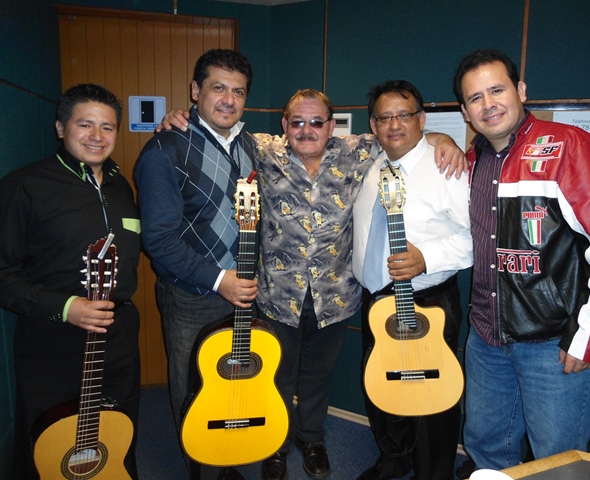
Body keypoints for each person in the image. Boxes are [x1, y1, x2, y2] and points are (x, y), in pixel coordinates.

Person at [162, 86, 464, 480]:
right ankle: (276, 444)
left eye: (317, 122)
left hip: (334, 297)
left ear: (331, 126)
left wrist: (442, 138)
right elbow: (217, 128)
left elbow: (403, 133)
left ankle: (312, 439)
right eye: (297, 122)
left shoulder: (358, 151)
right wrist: (179, 118)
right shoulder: (261, 149)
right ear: (284, 125)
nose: (307, 130)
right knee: (277, 375)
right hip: (277, 295)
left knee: (318, 377)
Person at [453, 49, 590, 471]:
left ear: (520, 90)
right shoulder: (472, 161)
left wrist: (588, 339)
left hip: (553, 346)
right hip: (486, 340)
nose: (488, 104)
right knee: (486, 448)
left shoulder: (571, 148)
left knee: (557, 462)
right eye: (475, 97)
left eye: (497, 90)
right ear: (464, 112)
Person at [0, 83, 141, 479]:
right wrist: (66, 307)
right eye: (85, 124)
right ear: (61, 127)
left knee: (119, 430)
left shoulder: (120, 185)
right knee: (49, 442)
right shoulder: (25, 186)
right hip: (53, 340)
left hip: (118, 334)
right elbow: (3, 275)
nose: (97, 136)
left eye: (107, 127)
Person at [134, 49, 257, 480]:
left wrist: (435, 139)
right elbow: (159, 240)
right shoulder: (164, 149)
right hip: (192, 296)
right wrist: (220, 280)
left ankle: (227, 458)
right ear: (195, 91)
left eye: (238, 91)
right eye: (218, 88)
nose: (228, 99)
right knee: (194, 388)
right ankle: (201, 469)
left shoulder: (250, 145)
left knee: (235, 382)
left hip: (244, 295)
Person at [351, 80, 473, 480]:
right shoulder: (371, 163)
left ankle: (433, 473)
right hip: (375, 298)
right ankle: (394, 455)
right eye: (384, 117)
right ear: (373, 125)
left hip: (427, 300)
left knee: (430, 393)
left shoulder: (446, 167)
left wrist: (426, 259)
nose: (394, 125)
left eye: (404, 115)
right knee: (382, 381)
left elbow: (475, 238)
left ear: (421, 119)